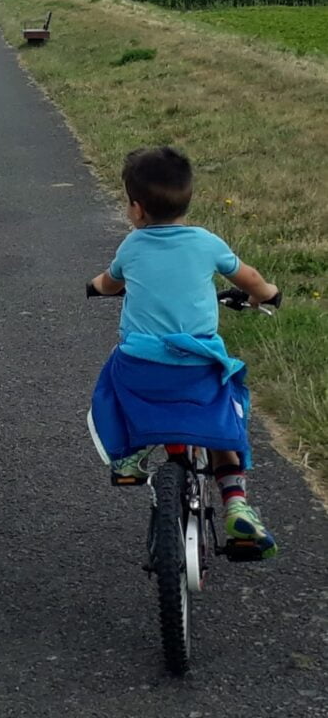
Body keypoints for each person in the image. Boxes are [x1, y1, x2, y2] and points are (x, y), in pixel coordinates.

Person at [87, 146, 279, 558]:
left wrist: (93, 286)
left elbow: (108, 283)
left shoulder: (132, 246)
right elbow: (250, 279)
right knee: (223, 412)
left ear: (136, 210)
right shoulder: (207, 243)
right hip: (197, 367)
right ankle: (236, 502)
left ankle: (129, 456)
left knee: (117, 384)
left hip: (143, 368)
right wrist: (266, 294)